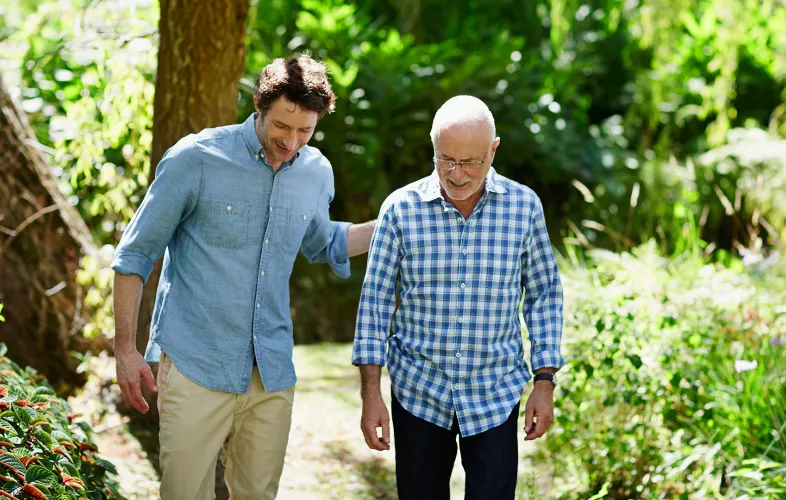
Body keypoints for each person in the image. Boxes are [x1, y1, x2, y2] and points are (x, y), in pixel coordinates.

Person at [112, 55, 375, 500]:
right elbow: (135, 255)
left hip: (270, 371)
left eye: (304, 131)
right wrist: (124, 349)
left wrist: (389, 226)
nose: (291, 142)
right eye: (281, 127)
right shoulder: (195, 158)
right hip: (197, 362)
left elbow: (322, 242)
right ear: (259, 107)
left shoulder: (316, 172)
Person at [352, 95, 564, 499]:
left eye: (470, 162)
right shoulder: (400, 209)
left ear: (493, 149)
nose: (458, 174)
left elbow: (544, 295)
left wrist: (544, 381)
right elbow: (374, 304)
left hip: (495, 392)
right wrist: (371, 396)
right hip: (419, 391)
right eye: (446, 160)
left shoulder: (524, 207)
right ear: (432, 149)